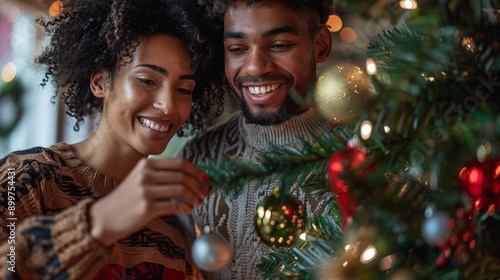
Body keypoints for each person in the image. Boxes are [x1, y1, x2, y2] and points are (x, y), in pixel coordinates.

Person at [0, 0, 226, 279]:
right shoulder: (25, 179)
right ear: (100, 83)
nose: (168, 105)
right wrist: (98, 223)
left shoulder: (174, 226)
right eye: (147, 80)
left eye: (183, 89)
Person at [178, 0, 336, 278]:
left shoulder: (372, 151)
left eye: (278, 45)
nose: (255, 68)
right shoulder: (197, 161)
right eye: (237, 49)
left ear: (320, 45)